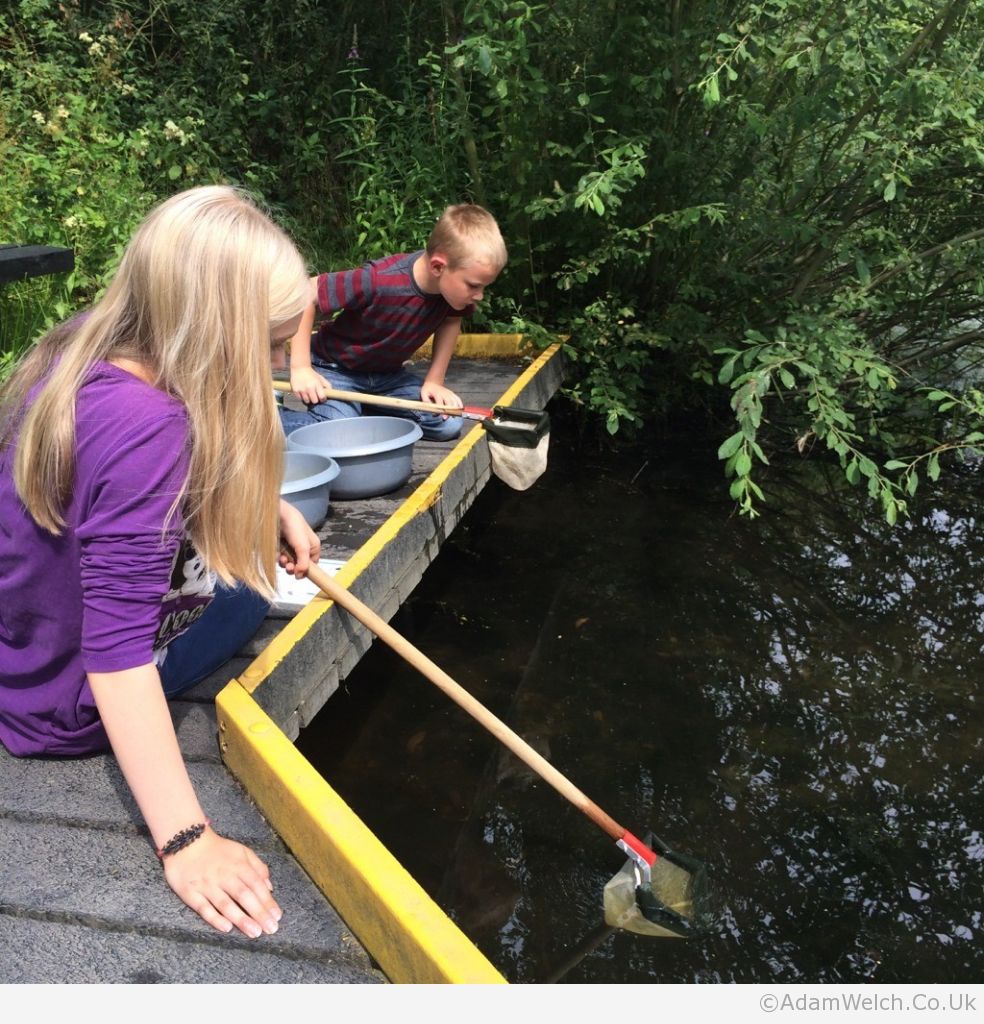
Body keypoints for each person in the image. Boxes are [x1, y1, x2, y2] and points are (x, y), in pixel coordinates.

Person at [0, 185, 321, 940]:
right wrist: (186, 841)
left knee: (240, 551)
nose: (280, 361)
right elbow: (114, 658)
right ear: (221, 335)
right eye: (273, 346)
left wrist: (266, 506)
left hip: (20, 654)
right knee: (247, 592)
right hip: (65, 704)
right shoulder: (152, 432)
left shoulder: (78, 347)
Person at [279, 203, 507, 439]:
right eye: (473, 285)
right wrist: (301, 368)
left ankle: (359, 412)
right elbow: (307, 292)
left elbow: (451, 321)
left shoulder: (451, 294)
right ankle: (265, 419)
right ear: (438, 266)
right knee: (339, 433)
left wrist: (434, 381)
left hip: (388, 377)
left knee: (447, 424)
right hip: (337, 370)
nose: (479, 295)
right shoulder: (378, 280)